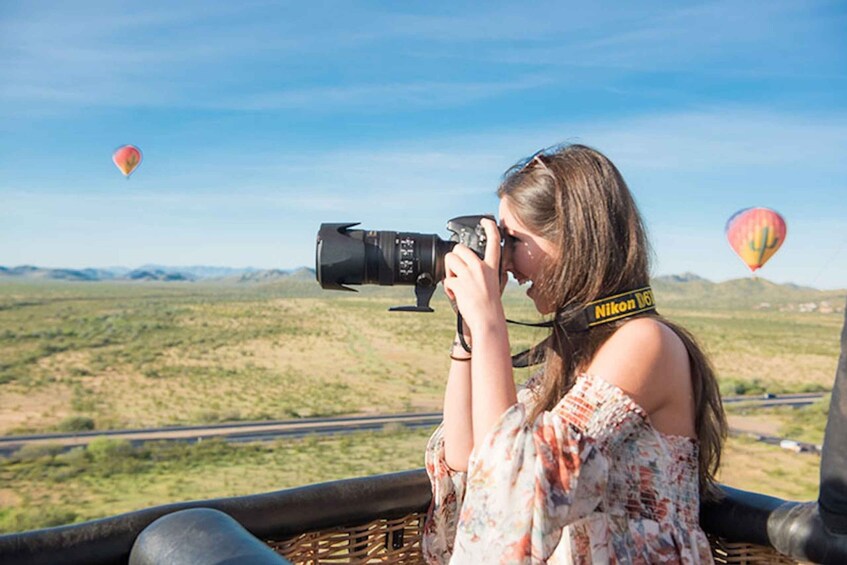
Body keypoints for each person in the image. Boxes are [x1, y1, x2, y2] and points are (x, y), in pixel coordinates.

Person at [422, 144, 727, 564]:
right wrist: (470, 330)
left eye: (512, 239)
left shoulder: (644, 343)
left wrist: (492, 320)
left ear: (573, 236)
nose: (504, 263)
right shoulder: (573, 353)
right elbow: (469, 461)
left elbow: (512, 502)